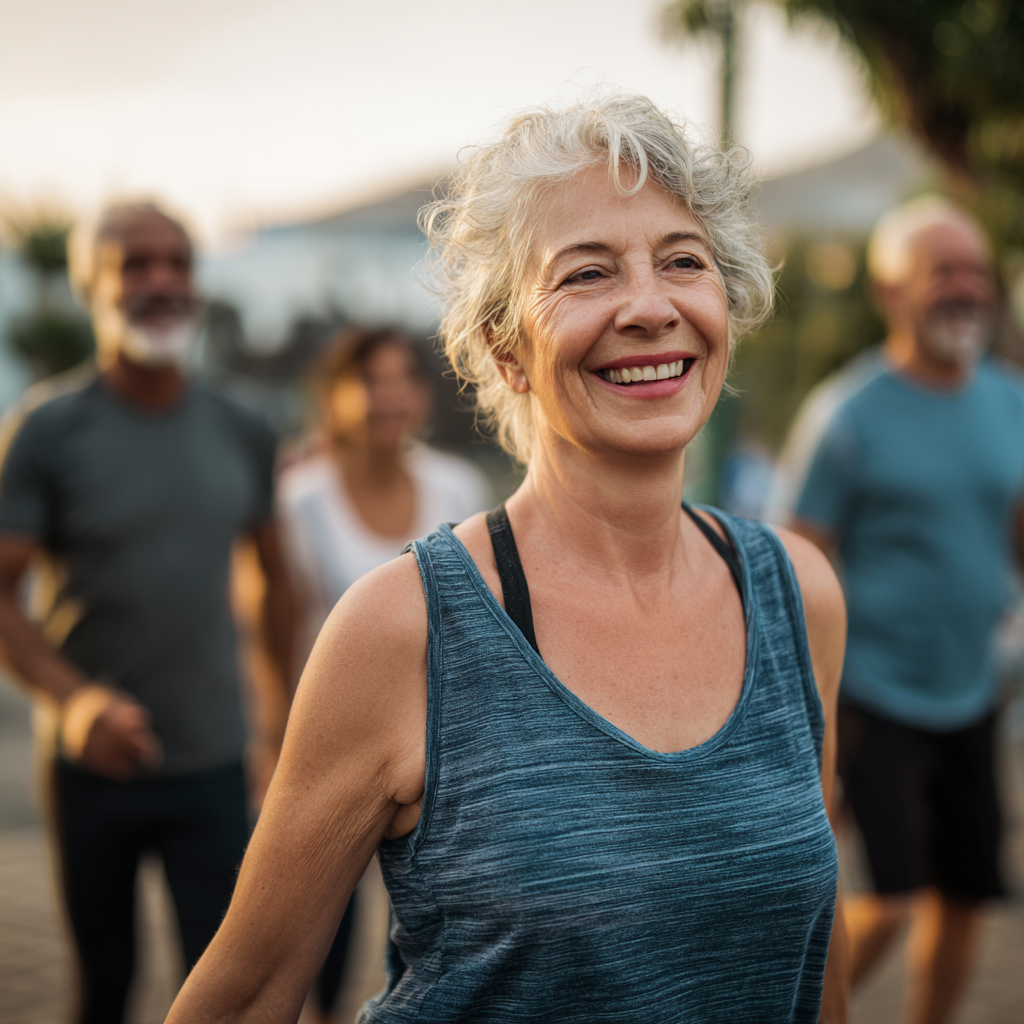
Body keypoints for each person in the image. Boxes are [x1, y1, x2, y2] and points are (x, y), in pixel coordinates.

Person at [167, 93, 849, 1024]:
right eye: (587, 274)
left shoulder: (794, 593)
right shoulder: (403, 628)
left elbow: (817, 947)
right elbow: (246, 995)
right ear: (505, 346)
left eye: (683, 262)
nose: (650, 307)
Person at [0, 202, 297, 1024]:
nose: (161, 280)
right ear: (91, 284)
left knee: (224, 990)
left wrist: (280, 727)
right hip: (91, 766)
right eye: (135, 264)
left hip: (213, 764)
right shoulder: (47, 430)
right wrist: (75, 699)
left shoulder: (241, 426)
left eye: (176, 262)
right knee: (103, 986)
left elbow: (278, 581)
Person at [770, 196, 1023, 1024]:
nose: (965, 288)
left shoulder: (1010, 399)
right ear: (890, 293)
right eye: (943, 271)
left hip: (974, 688)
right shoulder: (846, 416)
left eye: (975, 271)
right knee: (892, 897)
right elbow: (793, 561)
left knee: (967, 895)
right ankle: (793, 1009)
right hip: (873, 694)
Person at [277, 325, 491, 1019]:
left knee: (445, 931)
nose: (389, 395)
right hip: (333, 745)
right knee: (318, 944)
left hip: (444, 752)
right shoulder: (300, 499)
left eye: (404, 378)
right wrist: (271, 745)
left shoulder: (457, 484)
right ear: (333, 395)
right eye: (370, 379)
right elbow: (276, 627)